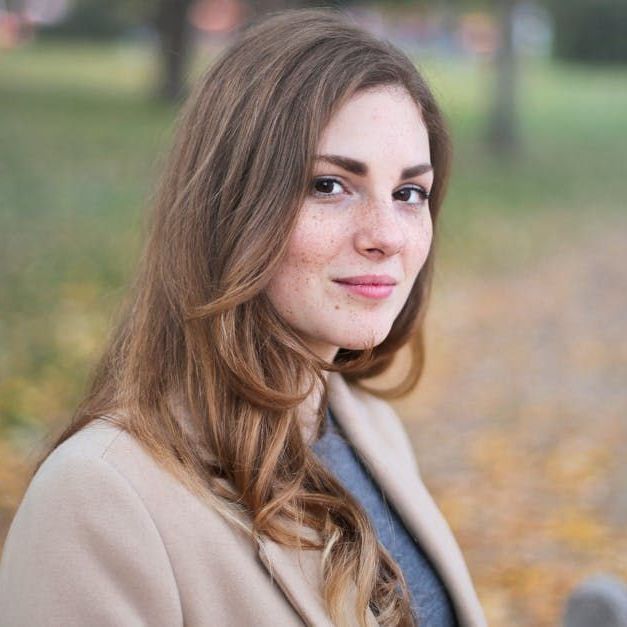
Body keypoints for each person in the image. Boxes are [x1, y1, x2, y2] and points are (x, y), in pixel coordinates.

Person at [0, 9, 486, 627]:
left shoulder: (367, 426)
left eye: (409, 193)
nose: (387, 235)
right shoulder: (99, 499)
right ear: (230, 206)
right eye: (330, 185)